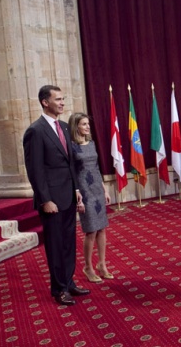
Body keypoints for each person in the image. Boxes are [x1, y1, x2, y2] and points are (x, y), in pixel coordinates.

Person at [23, 85, 90, 306]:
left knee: (69, 243)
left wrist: (77, 191)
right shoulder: (36, 130)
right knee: (55, 244)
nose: (62, 103)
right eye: (58, 99)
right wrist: (45, 200)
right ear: (45, 102)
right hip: (51, 199)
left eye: (63, 99)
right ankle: (59, 289)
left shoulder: (63, 126)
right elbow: (35, 170)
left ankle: (69, 282)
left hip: (69, 196)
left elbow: (69, 163)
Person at [69, 112, 113, 283]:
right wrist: (77, 193)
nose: (87, 127)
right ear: (76, 126)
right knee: (91, 230)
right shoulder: (72, 147)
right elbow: (71, 172)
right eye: (84, 124)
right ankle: (88, 266)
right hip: (84, 191)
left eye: (88, 124)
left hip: (97, 188)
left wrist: (105, 190)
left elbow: (96, 168)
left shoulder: (92, 143)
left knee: (102, 228)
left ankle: (102, 264)